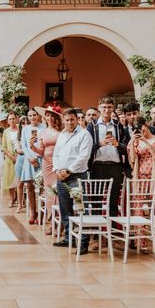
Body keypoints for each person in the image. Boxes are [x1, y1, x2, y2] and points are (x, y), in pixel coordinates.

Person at [52, 108, 92, 253]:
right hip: (61, 176)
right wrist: (57, 170)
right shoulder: (61, 135)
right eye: (67, 120)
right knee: (65, 208)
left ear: (77, 119)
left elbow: (83, 157)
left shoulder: (84, 134)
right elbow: (56, 155)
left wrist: (68, 170)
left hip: (77, 176)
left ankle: (84, 242)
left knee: (82, 209)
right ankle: (70, 238)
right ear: (63, 120)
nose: (69, 122)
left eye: (72, 119)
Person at [127, 116, 155, 252]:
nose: (140, 131)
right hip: (139, 176)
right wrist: (133, 141)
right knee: (138, 207)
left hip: (154, 175)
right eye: (136, 129)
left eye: (141, 127)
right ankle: (141, 241)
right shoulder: (135, 142)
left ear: (146, 125)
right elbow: (132, 160)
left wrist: (145, 141)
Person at [86, 96, 128, 218]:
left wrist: (117, 144)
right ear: (99, 108)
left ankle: (113, 230)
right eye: (104, 107)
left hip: (115, 166)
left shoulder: (118, 125)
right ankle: (95, 230)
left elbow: (126, 148)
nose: (107, 110)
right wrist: (99, 144)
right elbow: (87, 148)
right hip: (97, 166)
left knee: (113, 200)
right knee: (96, 200)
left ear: (113, 108)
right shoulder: (92, 126)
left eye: (109, 107)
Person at [30, 105, 61, 233]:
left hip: (58, 163)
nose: (49, 118)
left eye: (52, 116)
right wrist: (32, 146)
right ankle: (52, 221)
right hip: (46, 165)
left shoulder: (62, 132)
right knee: (49, 193)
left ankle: (60, 222)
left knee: (58, 192)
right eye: (47, 115)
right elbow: (40, 151)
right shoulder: (42, 133)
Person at [20, 108, 45, 223]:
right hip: (29, 159)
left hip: (41, 159)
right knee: (30, 186)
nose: (32, 117)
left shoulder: (43, 127)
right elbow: (24, 146)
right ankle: (32, 212)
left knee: (41, 187)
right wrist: (30, 157)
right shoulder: (25, 129)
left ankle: (41, 212)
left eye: (34, 115)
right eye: (30, 116)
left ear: (38, 115)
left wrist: (37, 156)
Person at [1, 112, 20, 205]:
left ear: (16, 119)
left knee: (19, 179)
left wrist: (18, 155)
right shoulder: (6, 132)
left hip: (20, 157)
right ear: (8, 121)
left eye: (13, 118)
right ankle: (12, 199)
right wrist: (11, 156)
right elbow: (3, 147)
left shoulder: (21, 130)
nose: (12, 120)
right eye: (10, 119)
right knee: (10, 179)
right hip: (9, 159)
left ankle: (20, 200)